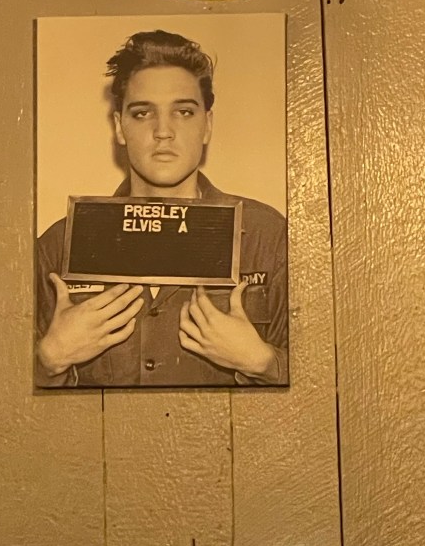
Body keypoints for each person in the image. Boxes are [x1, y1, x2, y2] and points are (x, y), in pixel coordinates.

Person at [36, 29, 288, 388]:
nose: (163, 131)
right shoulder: (57, 247)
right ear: (119, 127)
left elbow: (328, 378)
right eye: (142, 113)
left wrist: (263, 364)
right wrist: (48, 362)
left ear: (207, 125)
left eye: (183, 112)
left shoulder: (269, 238)